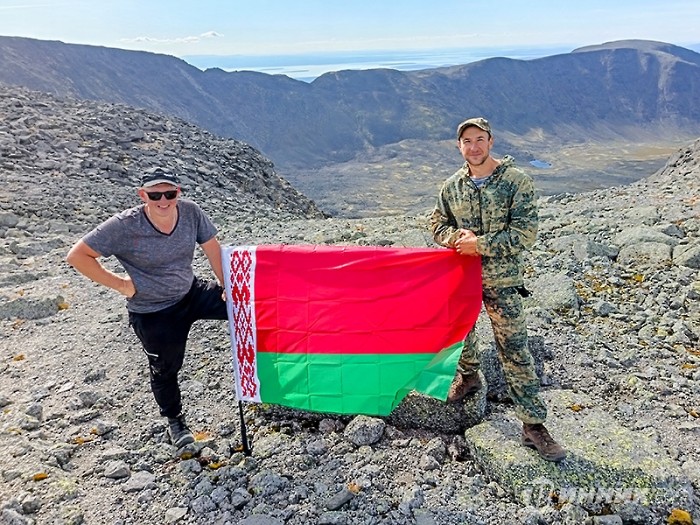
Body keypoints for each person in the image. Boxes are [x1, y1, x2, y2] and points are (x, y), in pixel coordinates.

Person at [430, 117, 566, 462]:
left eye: (479, 139)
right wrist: (454, 239)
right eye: (466, 142)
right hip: (462, 280)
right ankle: (470, 376)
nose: (473, 147)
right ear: (458, 147)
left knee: (515, 350)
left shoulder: (516, 182)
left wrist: (481, 245)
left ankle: (533, 425)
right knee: (461, 334)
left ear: (491, 142)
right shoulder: (452, 187)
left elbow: (525, 234)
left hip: (503, 283)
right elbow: (437, 223)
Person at [66, 167, 228, 448]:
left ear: (179, 192)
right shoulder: (124, 225)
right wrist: (120, 284)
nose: (163, 200)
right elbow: (78, 255)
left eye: (169, 193)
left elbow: (212, 247)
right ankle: (174, 420)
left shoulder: (190, 211)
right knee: (165, 368)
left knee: (247, 309)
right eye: (155, 195)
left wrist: (227, 285)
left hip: (191, 291)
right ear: (142, 195)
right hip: (153, 310)